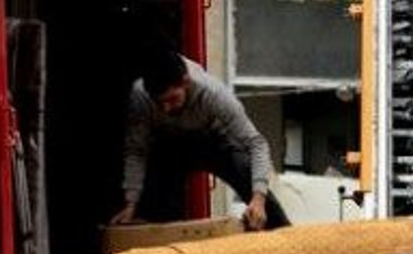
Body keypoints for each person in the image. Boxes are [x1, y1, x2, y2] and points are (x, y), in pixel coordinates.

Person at [112, 49, 289, 230]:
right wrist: (131, 203)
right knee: (156, 184)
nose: (165, 109)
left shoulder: (213, 93)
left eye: (172, 99)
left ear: (185, 82)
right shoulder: (140, 94)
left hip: (215, 140)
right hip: (172, 145)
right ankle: (160, 230)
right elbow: (137, 151)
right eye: (159, 103)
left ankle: (283, 233)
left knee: (244, 168)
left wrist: (258, 198)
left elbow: (256, 143)